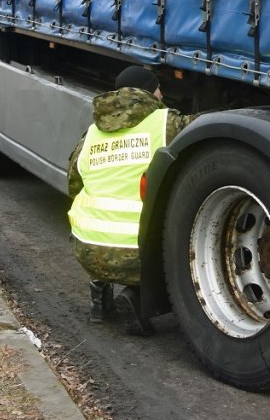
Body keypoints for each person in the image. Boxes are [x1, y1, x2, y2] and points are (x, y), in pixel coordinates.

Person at [67, 66, 190, 334]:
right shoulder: (166, 122)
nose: (162, 92)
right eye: (158, 87)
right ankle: (138, 298)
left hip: (87, 248)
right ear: (149, 91)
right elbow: (202, 130)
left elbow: (74, 185)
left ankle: (100, 300)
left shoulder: (91, 133)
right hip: (138, 254)